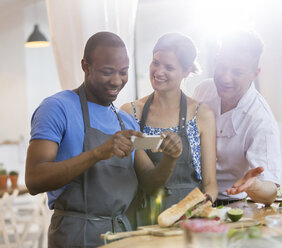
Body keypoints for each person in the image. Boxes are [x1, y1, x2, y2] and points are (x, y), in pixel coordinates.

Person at [25, 32, 183, 247]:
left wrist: (170, 158)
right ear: (86, 66)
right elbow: (34, 180)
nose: (117, 81)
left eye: (123, 72)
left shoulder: (126, 121)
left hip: (122, 235)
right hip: (75, 234)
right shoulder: (57, 108)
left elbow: (150, 182)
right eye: (107, 72)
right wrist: (98, 153)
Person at [121, 33, 218, 226]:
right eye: (155, 62)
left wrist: (202, 206)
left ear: (186, 71)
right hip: (142, 219)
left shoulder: (201, 115)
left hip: (188, 219)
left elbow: (210, 183)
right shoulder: (130, 112)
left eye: (169, 67)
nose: (158, 71)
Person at [193, 30, 281, 205]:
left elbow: (271, 192)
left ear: (255, 73)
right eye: (222, 67)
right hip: (192, 196)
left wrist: (253, 185)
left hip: (231, 202)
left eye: (237, 72)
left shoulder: (260, 119)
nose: (226, 77)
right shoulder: (203, 90)